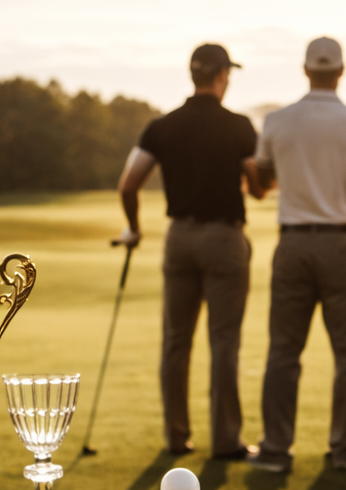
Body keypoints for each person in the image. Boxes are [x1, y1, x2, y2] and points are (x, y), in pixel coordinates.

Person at [118, 43, 261, 457]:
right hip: (224, 239)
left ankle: (177, 437)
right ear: (221, 76)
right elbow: (258, 186)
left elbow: (130, 184)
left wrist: (134, 228)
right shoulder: (239, 126)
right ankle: (226, 440)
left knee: (176, 342)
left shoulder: (162, 126)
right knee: (224, 342)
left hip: (178, 238)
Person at [247, 37, 346, 473]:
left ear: (305, 71)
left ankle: (275, 451)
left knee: (284, 350)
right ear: (341, 72)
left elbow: (265, 181)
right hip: (342, 243)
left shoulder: (277, 121)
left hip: (294, 243)